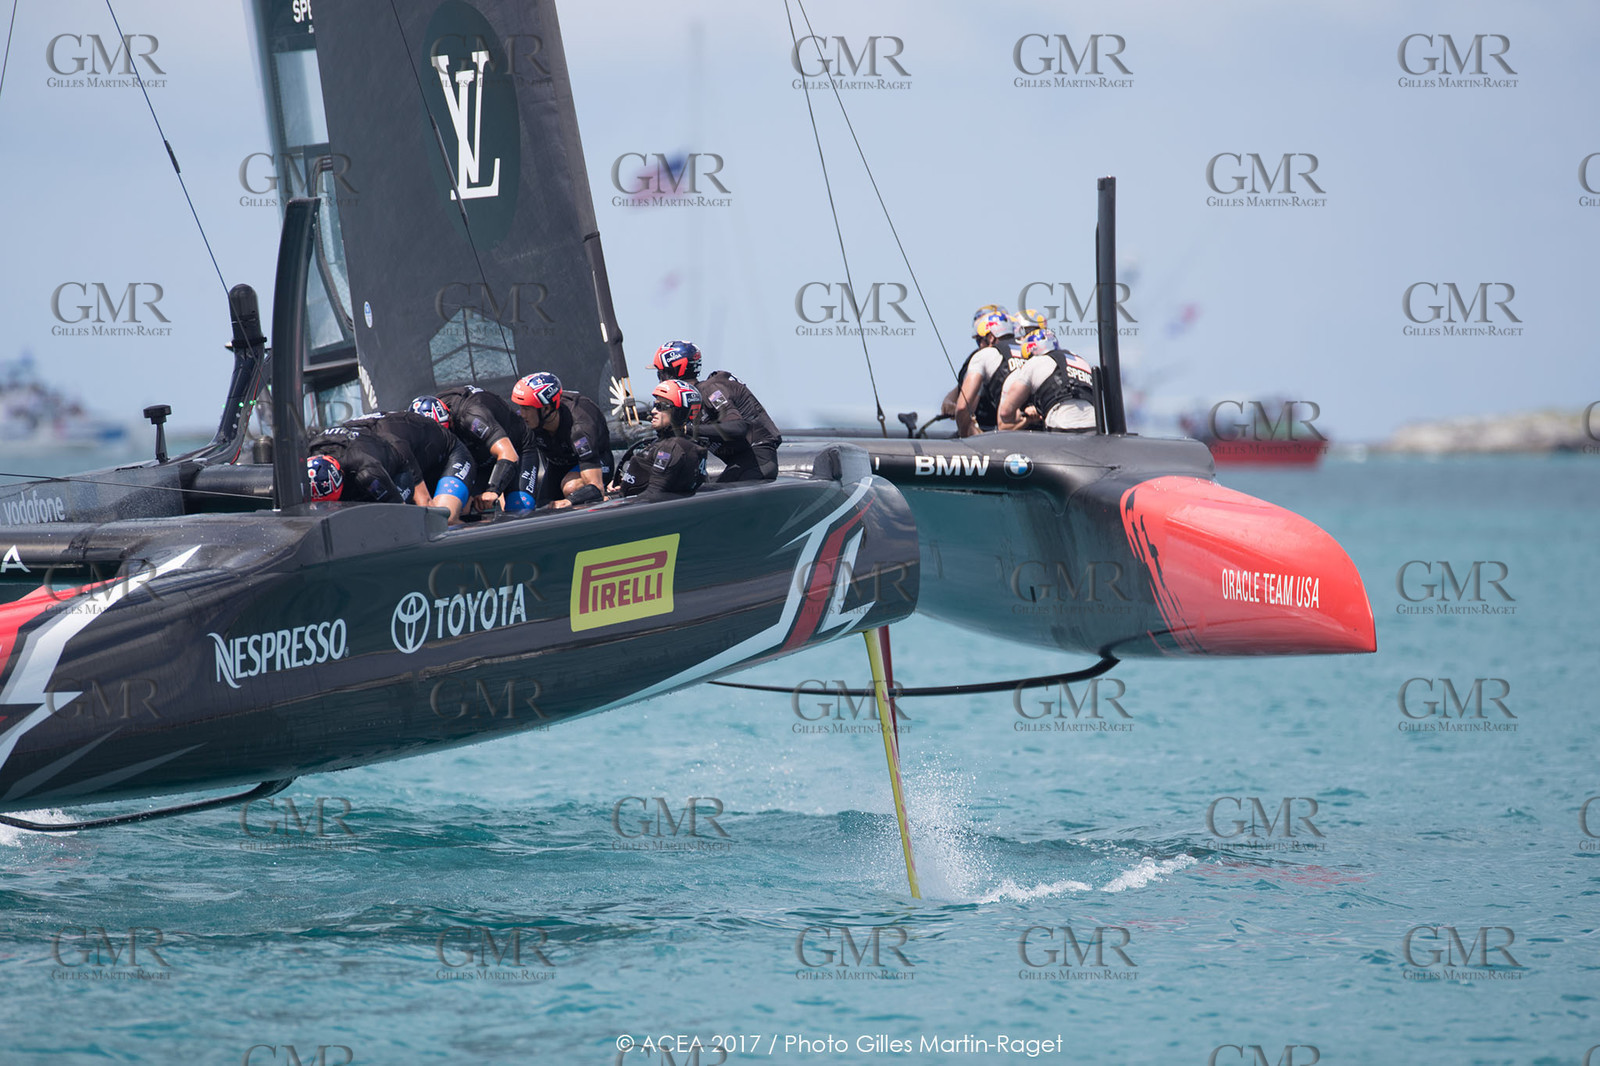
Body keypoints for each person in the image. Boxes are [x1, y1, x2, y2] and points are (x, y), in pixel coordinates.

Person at [304, 411, 473, 522]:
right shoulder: (313, 451)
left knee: (441, 519)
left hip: (444, 454)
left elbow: (416, 508)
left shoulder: (369, 470)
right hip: (387, 452)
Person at [652, 340, 782, 481]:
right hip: (741, 464)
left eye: (661, 375)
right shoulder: (690, 401)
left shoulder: (711, 391)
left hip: (757, 461)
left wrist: (686, 429)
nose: (660, 381)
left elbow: (738, 427)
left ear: (672, 373)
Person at [510, 372, 613, 508]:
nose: (522, 414)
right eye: (520, 408)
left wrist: (570, 501)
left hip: (595, 462)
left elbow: (595, 488)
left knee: (571, 488)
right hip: (558, 464)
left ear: (546, 409)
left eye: (527, 409)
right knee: (541, 506)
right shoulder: (529, 421)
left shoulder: (579, 428)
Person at [420, 387, 525, 512]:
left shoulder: (470, 417)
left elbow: (509, 454)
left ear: (450, 421)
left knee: (518, 507)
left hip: (514, 449)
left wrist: (493, 490)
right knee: (461, 508)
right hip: (476, 459)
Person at [611, 379, 707, 502]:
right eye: (654, 405)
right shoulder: (679, 444)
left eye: (660, 407)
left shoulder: (672, 447)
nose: (653, 411)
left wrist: (619, 503)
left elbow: (653, 495)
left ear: (679, 412)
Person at [996, 328, 1099, 433]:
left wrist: (1026, 417)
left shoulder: (1035, 362)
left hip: (1062, 427)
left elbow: (1006, 413)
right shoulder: (1082, 361)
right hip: (1094, 427)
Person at [953, 310, 1023, 436]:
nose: (979, 345)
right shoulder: (1031, 353)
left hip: (1008, 433)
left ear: (991, 337)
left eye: (980, 340)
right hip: (1040, 432)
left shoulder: (984, 355)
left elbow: (963, 407)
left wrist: (963, 437)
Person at [941, 304, 1008, 419]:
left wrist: (961, 411)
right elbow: (963, 386)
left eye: (981, 339)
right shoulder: (975, 358)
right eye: (978, 340)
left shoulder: (1003, 358)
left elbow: (967, 408)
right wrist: (949, 402)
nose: (981, 345)